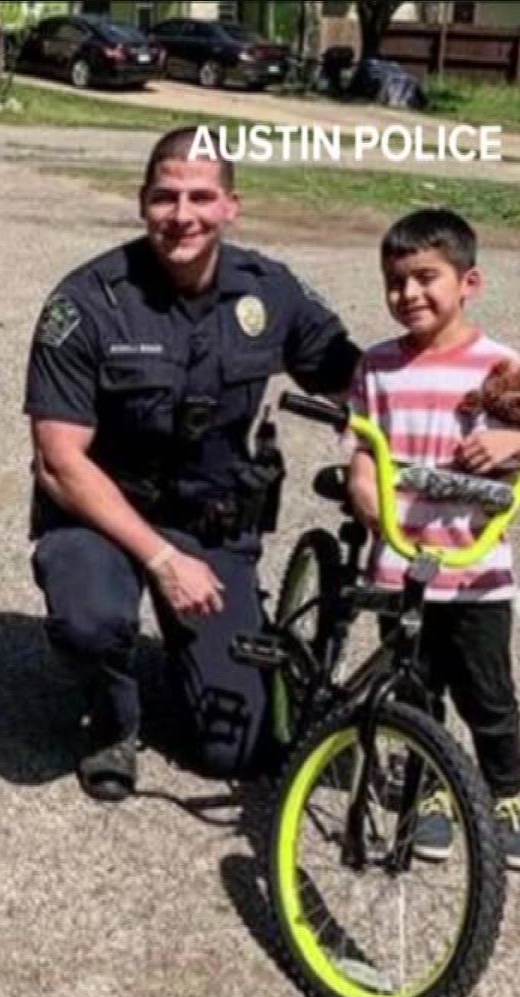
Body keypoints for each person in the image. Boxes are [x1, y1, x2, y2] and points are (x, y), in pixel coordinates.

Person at [24, 127, 363, 801]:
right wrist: (161, 561)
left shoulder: (270, 291)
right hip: (104, 515)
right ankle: (112, 720)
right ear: (142, 202)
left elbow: (359, 381)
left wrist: (476, 382)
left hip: (210, 519)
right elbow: (60, 463)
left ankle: (196, 650)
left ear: (232, 206)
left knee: (234, 750)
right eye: (165, 197)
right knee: (90, 616)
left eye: (202, 197)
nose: (183, 215)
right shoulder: (88, 301)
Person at [344, 208, 520, 871]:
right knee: (415, 686)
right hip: (401, 565)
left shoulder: (500, 364)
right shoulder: (377, 368)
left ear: (470, 282)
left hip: (478, 567)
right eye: (395, 281)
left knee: (488, 692)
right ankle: (427, 787)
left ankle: (505, 793)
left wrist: (512, 440)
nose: (409, 294)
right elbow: (359, 451)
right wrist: (374, 508)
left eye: (426, 277)